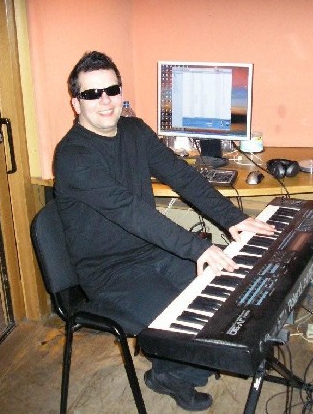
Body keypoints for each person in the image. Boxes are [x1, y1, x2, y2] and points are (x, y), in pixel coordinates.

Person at [53, 51, 275, 411]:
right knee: (183, 325)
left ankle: (184, 364)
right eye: (92, 94)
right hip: (109, 271)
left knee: (223, 297)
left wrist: (232, 219)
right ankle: (168, 375)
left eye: (111, 90)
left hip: (152, 251)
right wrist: (197, 248)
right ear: (76, 103)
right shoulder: (73, 156)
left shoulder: (134, 130)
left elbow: (182, 176)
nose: (105, 101)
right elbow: (132, 212)